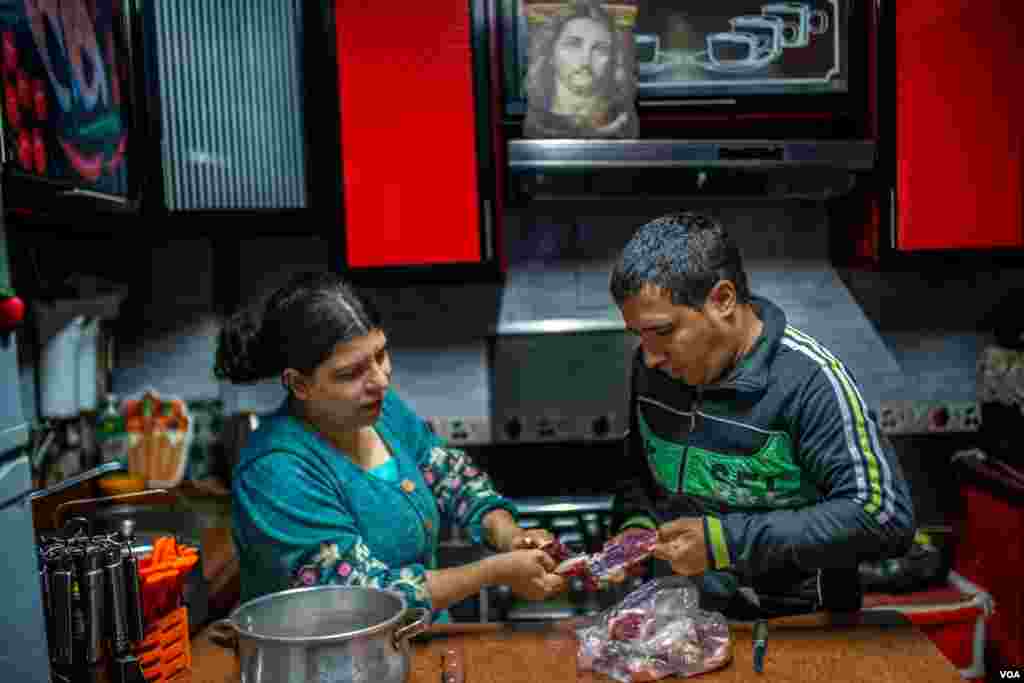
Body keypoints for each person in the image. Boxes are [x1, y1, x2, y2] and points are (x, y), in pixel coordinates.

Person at [606, 212, 916, 619]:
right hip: (684, 624)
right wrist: (635, 528)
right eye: (639, 335)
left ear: (722, 300)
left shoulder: (809, 382)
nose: (650, 356)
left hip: (802, 628)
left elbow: (883, 515)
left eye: (663, 332)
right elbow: (640, 476)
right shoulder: (654, 370)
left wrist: (726, 541)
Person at [214, 272, 566, 621]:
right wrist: (495, 572)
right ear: (299, 384)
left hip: (420, 640)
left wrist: (508, 534)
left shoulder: (380, 410)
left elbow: (450, 475)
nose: (380, 380)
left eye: (380, 355)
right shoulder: (275, 473)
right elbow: (364, 597)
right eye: (351, 373)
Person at [524, 0, 638, 139]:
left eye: (600, 49)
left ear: (613, 59)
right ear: (550, 53)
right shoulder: (539, 120)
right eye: (573, 44)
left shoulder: (620, 119)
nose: (586, 61)